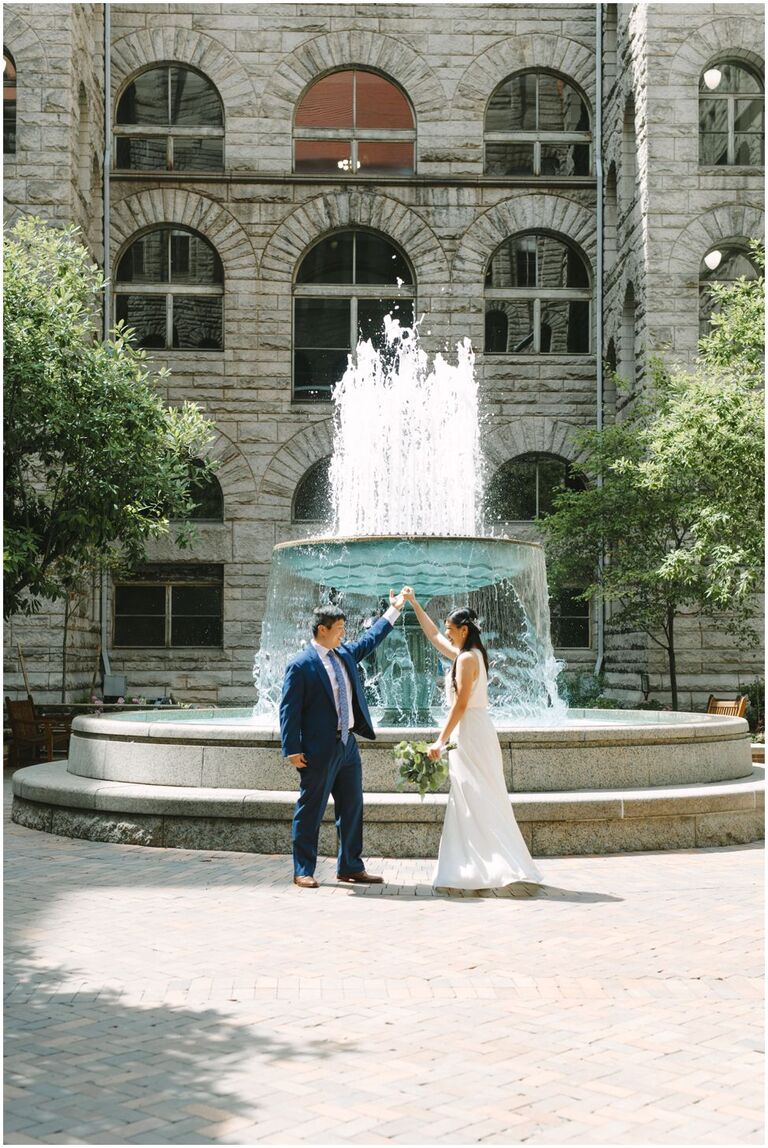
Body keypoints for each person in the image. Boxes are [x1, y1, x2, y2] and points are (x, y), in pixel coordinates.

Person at [401, 587, 543, 890]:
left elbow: (461, 703)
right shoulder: (473, 654)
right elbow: (434, 638)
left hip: (470, 731)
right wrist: (414, 604)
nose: (448, 634)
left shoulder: (466, 660)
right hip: (476, 729)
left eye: (452, 630)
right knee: (477, 795)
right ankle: (481, 864)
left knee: (471, 795)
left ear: (464, 630)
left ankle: (479, 866)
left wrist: (440, 740)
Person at [280, 588, 407, 888]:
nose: (343, 634)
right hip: (318, 749)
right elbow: (289, 710)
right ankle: (303, 869)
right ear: (321, 630)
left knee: (352, 807)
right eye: (338, 630)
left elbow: (371, 638)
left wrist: (394, 611)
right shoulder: (301, 665)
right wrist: (292, 748)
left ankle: (350, 865)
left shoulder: (345, 654)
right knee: (310, 809)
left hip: (348, 745)